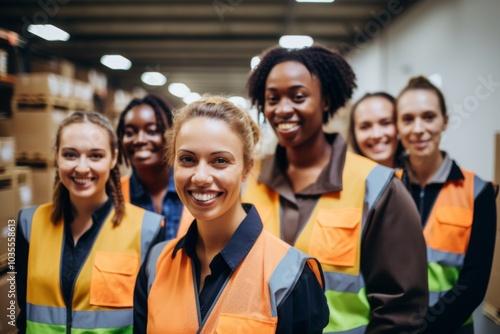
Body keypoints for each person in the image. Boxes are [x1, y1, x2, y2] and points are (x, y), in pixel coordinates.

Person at [244, 45, 429, 333]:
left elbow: (401, 312)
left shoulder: (377, 187)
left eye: (298, 96)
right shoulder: (245, 180)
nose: (282, 109)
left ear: (326, 100)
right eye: (272, 99)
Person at [133, 96, 329, 334]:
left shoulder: (291, 275)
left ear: (247, 167)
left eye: (220, 161)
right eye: (187, 159)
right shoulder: (156, 264)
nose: (201, 177)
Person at [15, 111, 164, 334]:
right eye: (70, 155)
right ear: (57, 155)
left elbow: (150, 322)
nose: (82, 168)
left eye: (95, 156)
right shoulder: (29, 223)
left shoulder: (147, 229)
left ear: (113, 158)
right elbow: (23, 313)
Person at [396, 76, 497, 334]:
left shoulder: (479, 192)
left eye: (428, 117)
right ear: (397, 125)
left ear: (445, 121)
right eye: (408, 119)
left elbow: (474, 283)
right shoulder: (385, 187)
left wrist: (425, 329)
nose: (418, 129)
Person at [116, 94, 184, 240]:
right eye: (130, 132)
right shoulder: (113, 195)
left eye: (152, 131)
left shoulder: (191, 189)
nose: (140, 139)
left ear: (171, 136)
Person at [347, 92, 405, 168]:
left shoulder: (419, 174)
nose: (376, 135)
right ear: (354, 133)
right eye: (365, 127)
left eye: (385, 123)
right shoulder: (341, 177)